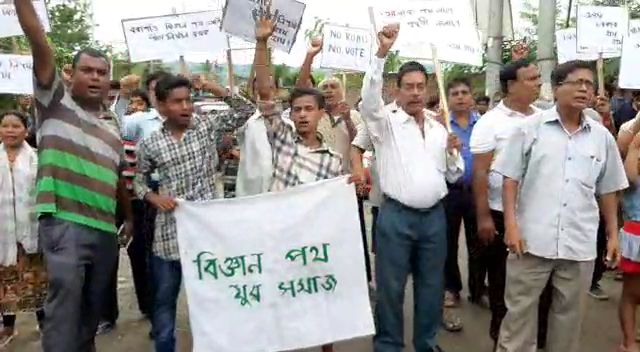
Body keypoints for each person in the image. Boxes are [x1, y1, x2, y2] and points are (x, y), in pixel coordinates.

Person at [14, 2, 133, 351]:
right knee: (64, 315)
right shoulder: (54, 102)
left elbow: (116, 176)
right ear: (70, 74)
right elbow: (38, 39)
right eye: (88, 70)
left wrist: (127, 216)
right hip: (65, 225)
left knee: (90, 318)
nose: (96, 77)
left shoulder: (113, 125)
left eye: (102, 72)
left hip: (104, 232)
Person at [495, 60, 628, 352]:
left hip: (578, 244)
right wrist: (511, 226)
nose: (584, 89)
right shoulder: (529, 129)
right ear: (556, 89)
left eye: (589, 84)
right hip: (530, 241)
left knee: (568, 322)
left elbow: (608, 190)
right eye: (576, 82)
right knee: (518, 319)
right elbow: (510, 179)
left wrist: (613, 235)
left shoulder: (601, 137)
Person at [362, 24, 463, 352]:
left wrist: (452, 152)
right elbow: (367, 102)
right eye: (409, 87)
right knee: (390, 289)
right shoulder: (384, 123)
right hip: (396, 217)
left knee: (431, 288)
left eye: (421, 86)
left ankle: (426, 343)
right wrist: (382, 53)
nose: (415, 92)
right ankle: (389, 345)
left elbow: (452, 176)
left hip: (435, 218)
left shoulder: (437, 127)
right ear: (397, 90)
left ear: (428, 88)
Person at [253, 12, 343, 352]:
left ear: (321, 113)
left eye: (309, 109)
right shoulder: (282, 142)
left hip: (315, 245)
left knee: (321, 304)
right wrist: (263, 43)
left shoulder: (333, 162)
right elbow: (265, 90)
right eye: (296, 110)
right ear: (289, 115)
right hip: (279, 240)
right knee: (280, 305)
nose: (302, 114)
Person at [135, 74, 224, 352]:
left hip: (206, 234)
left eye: (189, 100)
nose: (186, 106)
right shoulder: (150, 144)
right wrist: (153, 196)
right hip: (168, 236)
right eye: (177, 101)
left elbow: (245, 109)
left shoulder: (206, 127)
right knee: (164, 303)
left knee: (212, 301)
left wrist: (209, 86)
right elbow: (138, 180)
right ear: (161, 106)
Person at [469, 58, 541, 347]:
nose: (538, 84)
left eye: (538, 78)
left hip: (536, 214)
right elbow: (480, 173)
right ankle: (501, 338)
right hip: (500, 214)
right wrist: (484, 217)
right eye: (531, 79)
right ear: (511, 85)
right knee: (504, 285)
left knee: (536, 286)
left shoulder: (543, 117)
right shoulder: (490, 123)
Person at [0, 111, 46, 348]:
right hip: (3, 233)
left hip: (32, 230)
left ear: (26, 130)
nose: (10, 130)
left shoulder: (37, 159)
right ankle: (8, 327)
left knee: (36, 280)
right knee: (5, 281)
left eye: (15, 126)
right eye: (5, 126)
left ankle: (45, 324)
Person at [443, 78, 484, 314]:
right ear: (448, 98)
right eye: (455, 93)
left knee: (478, 242)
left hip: (478, 192)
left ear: (472, 96)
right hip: (450, 192)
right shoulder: (441, 127)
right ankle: (451, 288)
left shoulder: (484, 125)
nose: (460, 97)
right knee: (448, 243)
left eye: (464, 92)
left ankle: (478, 288)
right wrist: (447, 149)